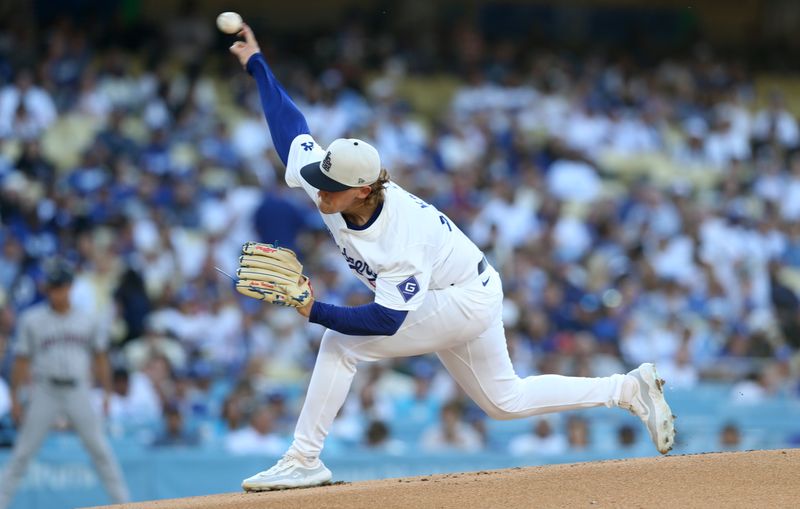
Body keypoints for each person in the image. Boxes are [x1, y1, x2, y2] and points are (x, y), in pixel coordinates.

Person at [228, 24, 676, 492]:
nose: (319, 191)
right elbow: (291, 130)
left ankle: (304, 458)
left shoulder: (402, 238)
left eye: (331, 188)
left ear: (363, 189)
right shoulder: (330, 178)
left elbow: (385, 322)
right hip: (465, 290)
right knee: (505, 401)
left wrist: (313, 310)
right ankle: (626, 389)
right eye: (320, 180)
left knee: (338, 343)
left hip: (460, 298)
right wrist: (258, 64)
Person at [0, 260, 130, 507]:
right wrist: (16, 398)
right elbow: (21, 362)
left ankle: (124, 503)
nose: (57, 291)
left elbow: (101, 358)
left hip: (78, 390)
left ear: (70, 287)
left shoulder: (87, 319)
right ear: (47, 288)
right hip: (45, 390)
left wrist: (106, 394)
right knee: (22, 453)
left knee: (100, 450)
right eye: (53, 286)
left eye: (62, 286)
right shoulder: (32, 319)